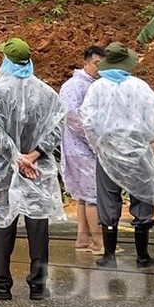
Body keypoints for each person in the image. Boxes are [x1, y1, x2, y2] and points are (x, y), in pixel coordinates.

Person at [0, 37, 64, 300]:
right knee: (38, 224)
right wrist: (34, 155)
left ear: (6, 60)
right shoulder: (47, 93)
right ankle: (38, 286)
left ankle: (1, 285)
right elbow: (58, 127)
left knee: (4, 223)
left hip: (6, 168)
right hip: (38, 168)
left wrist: (16, 157)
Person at [81, 43, 154, 268]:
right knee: (142, 198)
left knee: (108, 200)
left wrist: (97, 145)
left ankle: (109, 256)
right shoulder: (140, 87)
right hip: (137, 152)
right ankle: (142, 255)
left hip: (108, 152)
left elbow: (88, 121)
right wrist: (146, 139)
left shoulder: (97, 88)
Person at [57, 45, 104, 249]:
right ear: (86, 62)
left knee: (84, 195)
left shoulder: (94, 84)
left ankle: (82, 238)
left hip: (86, 146)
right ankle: (99, 241)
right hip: (80, 147)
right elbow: (73, 117)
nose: (99, 68)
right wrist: (95, 142)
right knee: (93, 194)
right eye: (96, 64)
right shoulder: (74, 85)